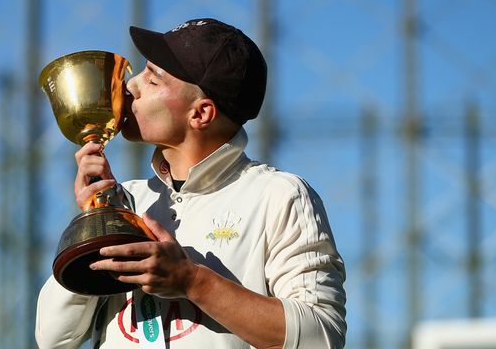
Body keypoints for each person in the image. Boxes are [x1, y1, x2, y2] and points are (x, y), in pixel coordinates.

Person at [36, 18, 346, 349]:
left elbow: (321, 337)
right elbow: (54, 339)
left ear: (201, 114)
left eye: (153, 80)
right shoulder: (128, 201)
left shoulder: (279, 196)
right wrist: (95, 219)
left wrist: (192, 280)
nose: (130, 86)